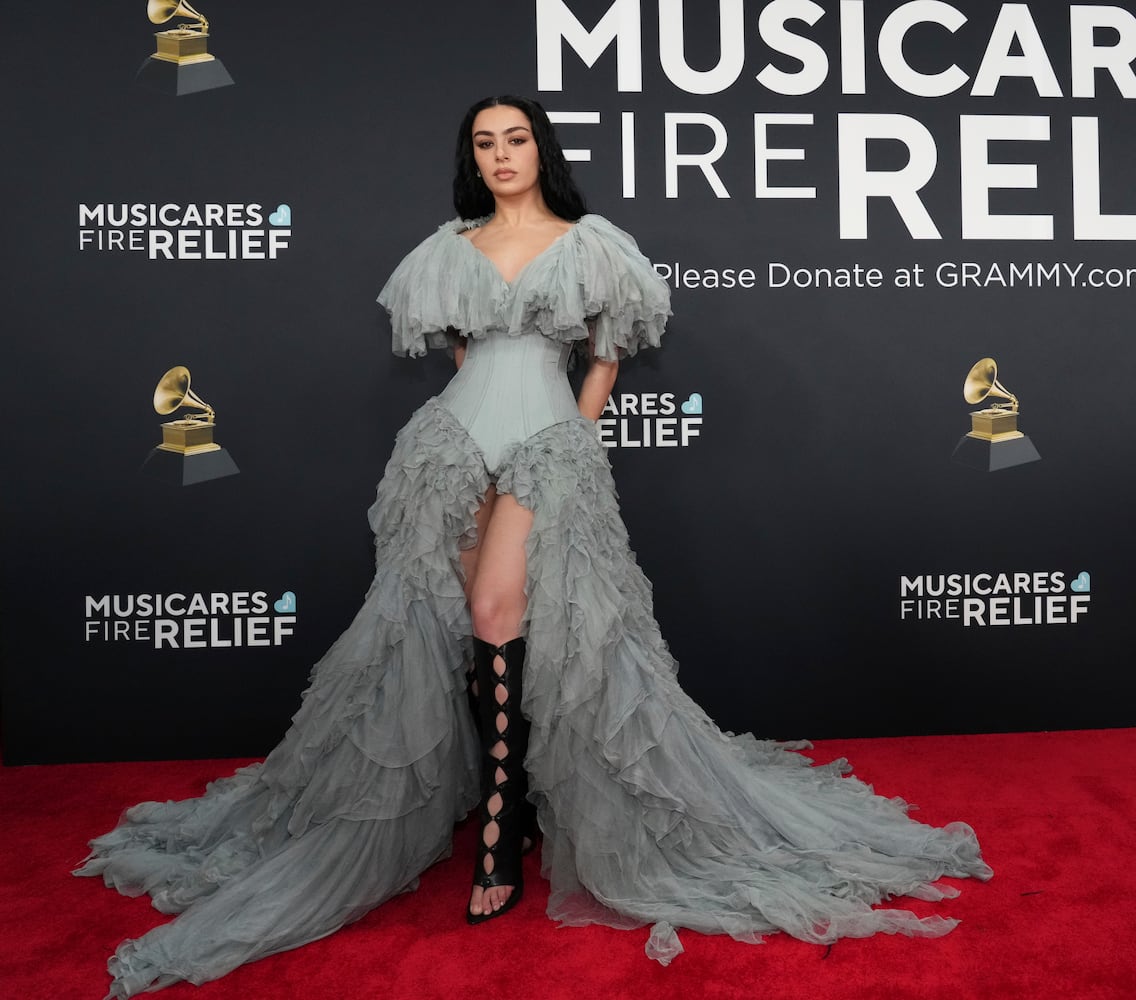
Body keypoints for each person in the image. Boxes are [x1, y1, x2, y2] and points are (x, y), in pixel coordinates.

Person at [76, 96, 991, 996]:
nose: (501, 154)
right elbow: (460, 348)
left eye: (516, 139)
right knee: (449, 624)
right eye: (485, 142)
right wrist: (478, 402)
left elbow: (606, 353)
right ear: (471, 158)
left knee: (495, 607)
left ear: (538, 148)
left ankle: (506, 822)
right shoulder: (449, 246)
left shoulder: (593, 243)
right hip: (451, 442)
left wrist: (576, 438)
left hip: (551, 444)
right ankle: (489, 798)